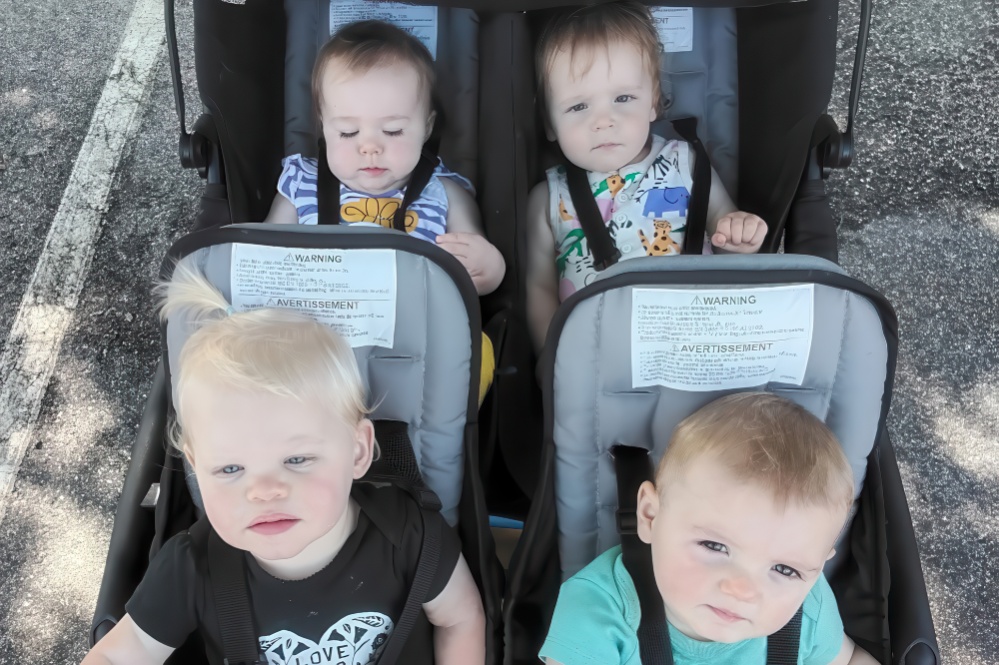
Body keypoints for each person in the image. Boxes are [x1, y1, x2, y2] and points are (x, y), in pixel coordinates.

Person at [82, 263, 486, 665]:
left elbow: (459, 618)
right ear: (195, 466)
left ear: (359, 451)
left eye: (297, 459)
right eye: (229, 469)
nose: (264, 490)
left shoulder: (409, 534)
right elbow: (117, 656)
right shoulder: (191, 569)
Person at [540, 392, 880, 665]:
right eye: (715, 547)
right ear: (649, 515)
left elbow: (848, 659)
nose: (743, 589)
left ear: (818, 566)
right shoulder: (596, 615)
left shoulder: (808, 610)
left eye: (784, 569)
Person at [526, 2, 768, 352]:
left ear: (653, 102)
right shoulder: (547, 197)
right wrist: (550, 357)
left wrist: (742, 238)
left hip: (699, 343)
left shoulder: (686, 162)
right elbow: (539, 289)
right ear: (550, 123)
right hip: (598, 356)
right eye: (578, 106)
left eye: (623, 98)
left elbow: (726, 230)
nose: (604, 120)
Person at [265, 20, 505, 298]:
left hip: (413, 325)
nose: (370, 148)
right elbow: (260, 257)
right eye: (347, 132)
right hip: (314, 327)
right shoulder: (299, 185)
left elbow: (475, 262)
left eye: (393, 131)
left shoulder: (446, 194)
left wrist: (490, 269)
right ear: (324, 127)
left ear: (426, 128)